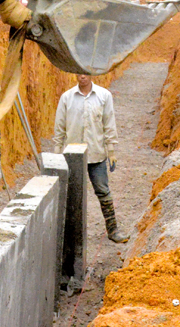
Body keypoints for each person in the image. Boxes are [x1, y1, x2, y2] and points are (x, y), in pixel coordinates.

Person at [52, 74, 128, 243]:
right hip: (73, 155)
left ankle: (113, 229)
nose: (82, 76)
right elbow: (60, 126)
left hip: (97, 154)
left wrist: (111, 150)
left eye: (85, 73)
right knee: (71, 195)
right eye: (79, 73)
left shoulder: (104, 96)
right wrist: (57, 152)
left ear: (91, 74)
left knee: (103, 191)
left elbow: (109, 123)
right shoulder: (67, 98)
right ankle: (69, 236)